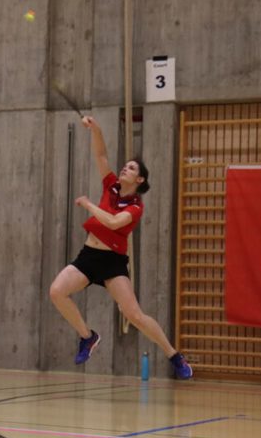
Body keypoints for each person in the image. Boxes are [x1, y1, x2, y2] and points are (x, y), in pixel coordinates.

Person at [49, 116, 193, 379]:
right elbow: (101, 154)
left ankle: (174, 355)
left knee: (135, 315)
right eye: (125, 166)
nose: (125, 169)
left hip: (113, 262)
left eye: (131, 168)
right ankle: (87, 336)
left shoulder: (136, 207)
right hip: (88, 256)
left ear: (139, 180)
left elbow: (114, 223)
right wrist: (96, 128)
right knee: (57, 292)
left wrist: (89, 205)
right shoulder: (111, 185)